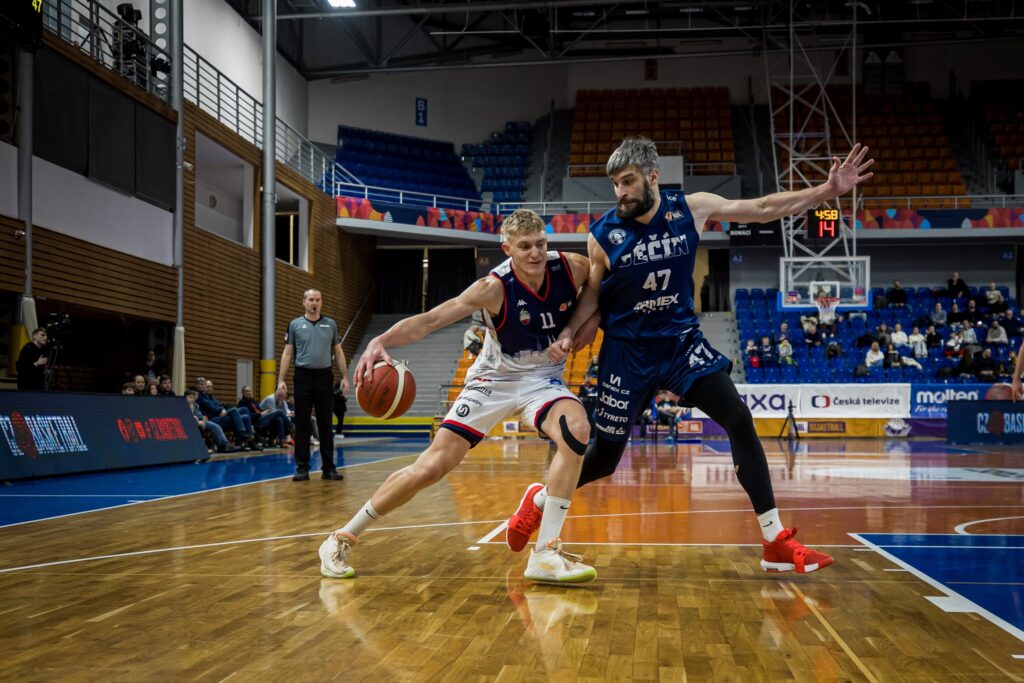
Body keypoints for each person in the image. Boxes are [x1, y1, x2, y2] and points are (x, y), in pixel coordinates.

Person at [532, 136, 868, 574]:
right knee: (606, 458)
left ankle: (774, 541)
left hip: (680, 345)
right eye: (615, 184)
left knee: (737, 416)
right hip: (626, 354)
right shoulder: (602, 234)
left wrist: (826, 192)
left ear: (653, 176)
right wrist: (569, 332)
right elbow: (593, 294)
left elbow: (765, 208)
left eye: (628, 181)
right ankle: (540, 499)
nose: (621, 192)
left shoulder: (691, 208)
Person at [319, 209, 599, 584]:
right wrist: (381, 339)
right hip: (493, 379)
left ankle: (545, 553)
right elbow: (432, 320)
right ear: (507, 249)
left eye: (541, 244)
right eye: (525, 246)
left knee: (576, 429)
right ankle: (341, 537)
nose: (535, 254)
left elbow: (596, 294)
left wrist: (570, 331)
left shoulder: (572, 267)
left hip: (542, 378)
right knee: (431, 468)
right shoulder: (492, 288)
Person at [278, 289, 350, 482]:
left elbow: (339, 352)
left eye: (317, 300)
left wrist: (345, 376)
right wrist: (281, 379)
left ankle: (329, 468)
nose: (314, 303)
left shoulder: (330, 324)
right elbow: (287, 353)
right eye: (311, 300)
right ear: (303, 302)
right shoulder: (295, 324)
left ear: (321, 303)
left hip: (325, 376)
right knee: (302, 423)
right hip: (303, 376)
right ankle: (302, 468)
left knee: (326, 423)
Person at [196, 378, 257, 448]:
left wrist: (222, 410)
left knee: (245, 414)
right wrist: (221, 410)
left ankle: (249, 440)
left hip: (220, 416)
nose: (205, 387)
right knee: (234, 411)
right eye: (203, 385)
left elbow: (220, 405)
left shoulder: (210, 396)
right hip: (213, 419)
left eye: (205, 385)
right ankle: (241, 433)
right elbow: (211, 408)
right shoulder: (200, 397)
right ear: (197, 386)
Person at [186, 389, 232, 453]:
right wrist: (198, 421)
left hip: (202, 420)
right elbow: (187, 418)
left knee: (217, 426)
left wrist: (204, 418)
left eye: (193, 397)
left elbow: (200, 415)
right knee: (215, 427)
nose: (192, 399)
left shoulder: (195, 405)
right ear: (185, 398)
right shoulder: (184, 406)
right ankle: (222, 446)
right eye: (190, 397)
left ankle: (225, 444)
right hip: (195, 422)